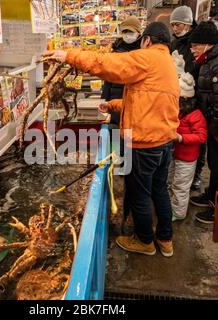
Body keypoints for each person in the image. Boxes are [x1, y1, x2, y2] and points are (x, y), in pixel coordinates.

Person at [43, 22, 180, 257]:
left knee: (139, 194)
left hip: (144, 144)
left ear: (147, 40)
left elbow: (107, 64)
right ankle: (165, 240)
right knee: (160, 191)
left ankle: (145, 240)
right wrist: (114, 105)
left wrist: (69, 55)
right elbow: (149, 104)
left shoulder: (148, 58)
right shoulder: (167, 64)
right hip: (164, 142)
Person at [189, 21, 218, 223]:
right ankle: (212, 196)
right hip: (213, 123)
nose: (192, 49)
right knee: (214, 164)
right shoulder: (209, 59)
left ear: (207, 43)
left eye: (195, 45)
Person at [170, 5, 206, 191]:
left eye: (178, 24)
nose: (175, 28)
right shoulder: (174, 43)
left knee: (196, 131)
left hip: (194, 94)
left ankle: (197, 173)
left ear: (188, 24)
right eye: (173, 25)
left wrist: (185, 73)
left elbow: (199, 68)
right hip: (178, 92)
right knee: (180, 128)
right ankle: (179, 168)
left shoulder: (196, 40)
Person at [169, 72, 207, 221]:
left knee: (181, 187)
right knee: (171, 182)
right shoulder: (180, 112)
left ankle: (178, 213)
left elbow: (201, 136)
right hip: (175, 155)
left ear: (184, 98)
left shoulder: (196, 115)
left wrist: (181, 137)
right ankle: (170, 206)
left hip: (187, 159)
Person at [101, 16, 142, 126]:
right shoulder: (116, 51)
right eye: (125, 31)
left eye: (131, 31)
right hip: (116, 99)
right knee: (115, 137)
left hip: (137, 101)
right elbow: (108, 79)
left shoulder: (144, 51)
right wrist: (104, 100)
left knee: (130, 136)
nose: (127, 34)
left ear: (138, 32)